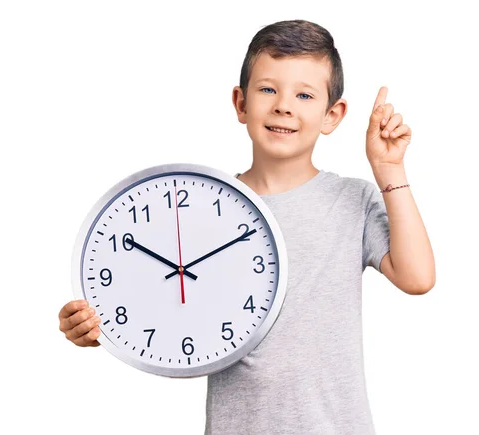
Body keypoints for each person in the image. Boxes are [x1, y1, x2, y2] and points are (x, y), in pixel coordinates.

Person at [58, 19, 435, 435]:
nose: (283, 106)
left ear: (332, 115)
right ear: (241, 103)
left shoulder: (354, 200)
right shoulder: (203, 204)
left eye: (305, 95)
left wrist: (389, 169)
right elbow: (165, 300)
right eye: (268, 89)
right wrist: (100, 326)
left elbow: (417, 277)